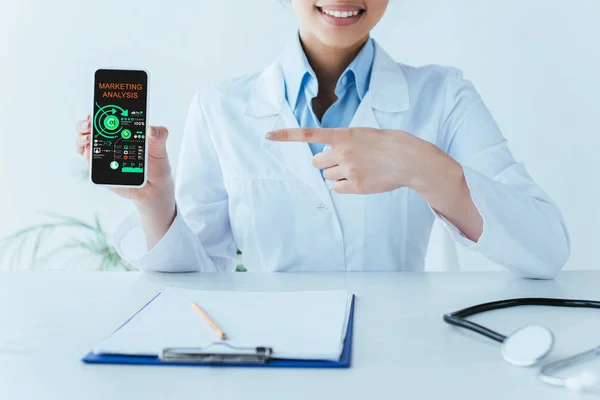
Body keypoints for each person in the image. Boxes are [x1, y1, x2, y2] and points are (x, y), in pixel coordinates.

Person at [75, 0, 569, 278]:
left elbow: (546, 249)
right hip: (269, 356)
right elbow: (197, 278)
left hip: (398, 355)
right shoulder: (219, 107)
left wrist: (423, 166)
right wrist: (154, 201)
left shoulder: (445, 96)